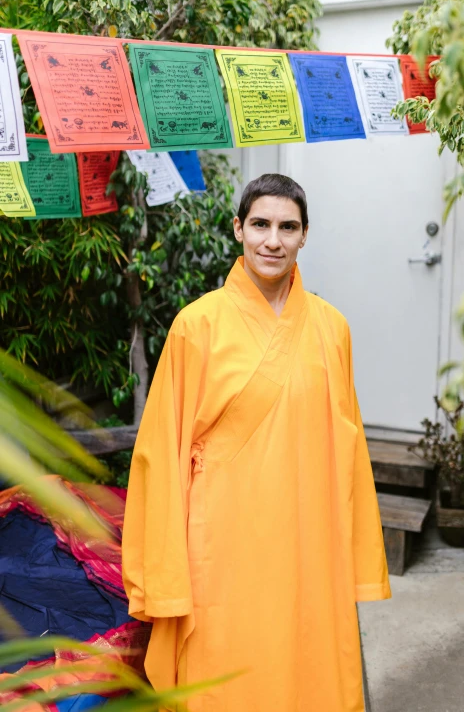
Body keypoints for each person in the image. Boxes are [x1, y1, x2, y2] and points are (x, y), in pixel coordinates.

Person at [122, 173, 391, 712]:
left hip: (307, 541)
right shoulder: (195, 326)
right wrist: (164, 576)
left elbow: (350, 452)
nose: (274, 240)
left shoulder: (332, 328)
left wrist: (357, 555)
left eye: (287, 227)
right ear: (239, 228)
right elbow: (160, 456)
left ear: (305, 235)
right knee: (227, 673)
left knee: (308, 663)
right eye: (261, 225)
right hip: (221, 545)